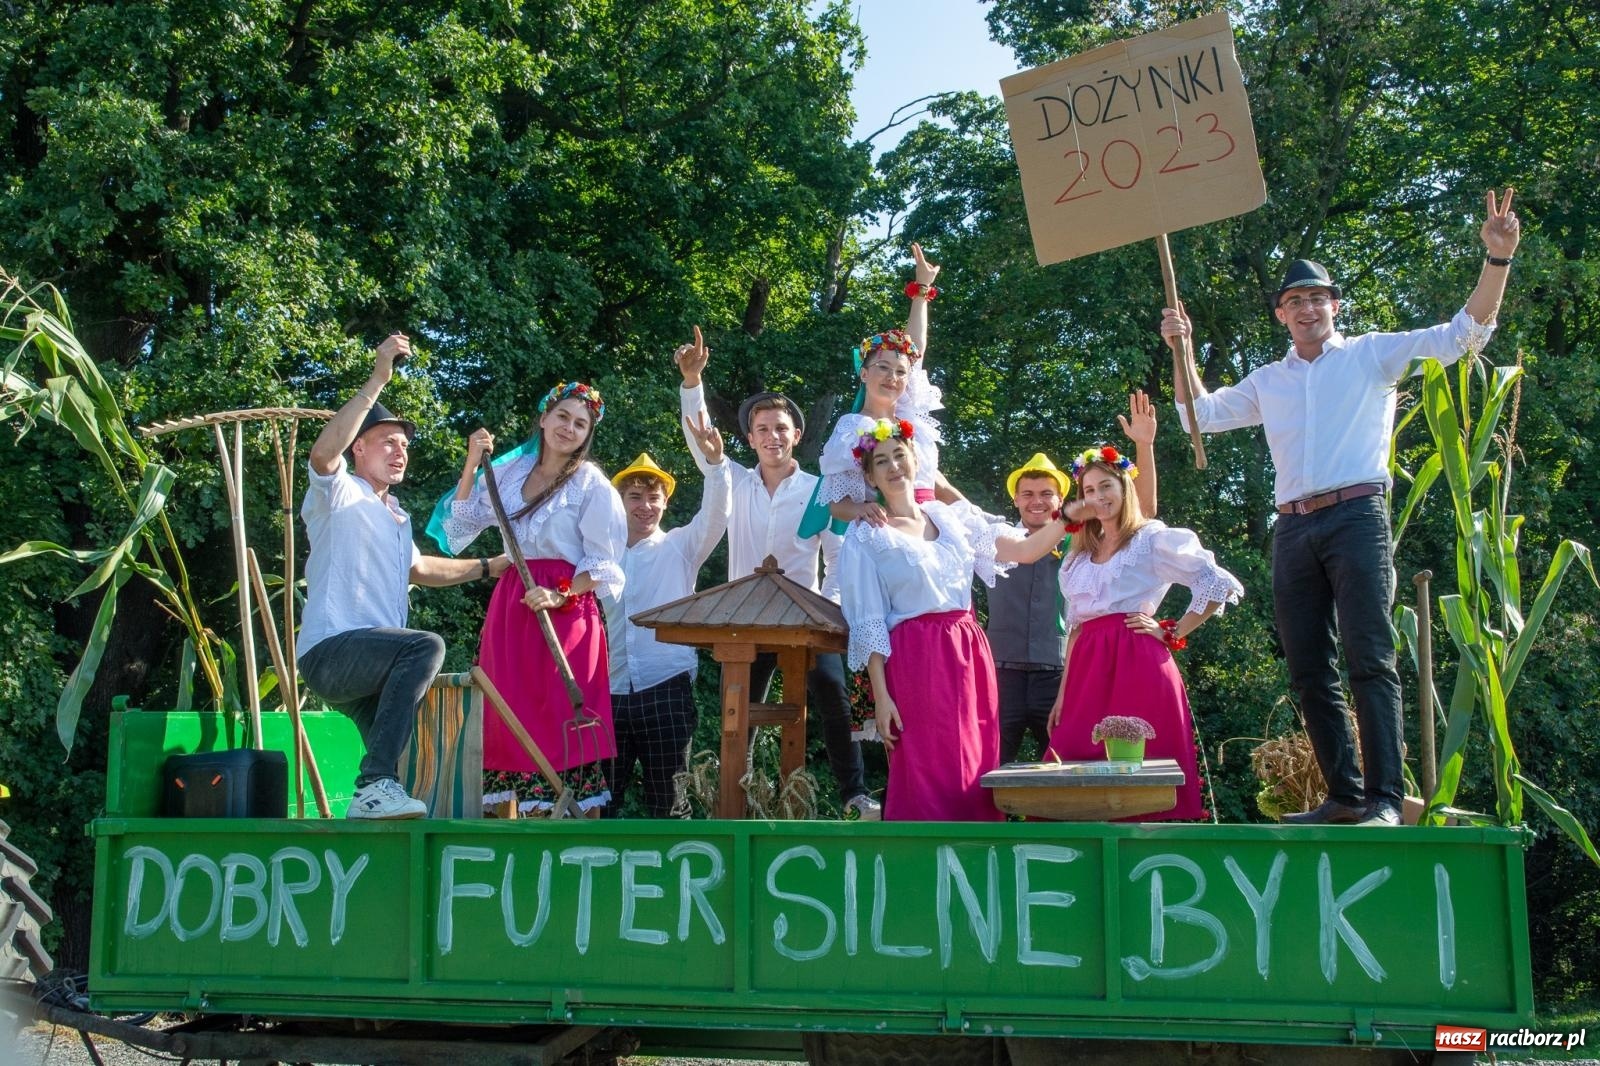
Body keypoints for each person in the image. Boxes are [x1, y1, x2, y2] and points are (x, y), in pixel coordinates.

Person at [1163, 187, 1520, 827]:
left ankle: (1384, 799)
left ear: (1334, 306)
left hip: (1356, 518)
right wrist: (1181, 350)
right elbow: (1199, 415)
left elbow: (1463, 337)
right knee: (1307, 667)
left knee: (1370, 657)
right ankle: (1345, 796)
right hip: (1293, 528)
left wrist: (1497, 260)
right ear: (1281, 314)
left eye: (1317, 298)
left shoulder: (1369, 355)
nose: (1307, 308)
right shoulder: (1269, 380)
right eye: (1295, 301)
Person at [298, 333, 508, 820]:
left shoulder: (395, 514)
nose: (400, 452)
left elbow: (420, 568)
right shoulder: (339, 492)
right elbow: (322, 456)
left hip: (370, 665)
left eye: (405, 445)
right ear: (358, 448)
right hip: (332, 650)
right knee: (424, 647)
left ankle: (374, 806)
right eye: (387, 442)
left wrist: (486, 567)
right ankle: (374, 785)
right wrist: (379, 377)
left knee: (398, 768)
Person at [675, 329, 881, 820]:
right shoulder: (733, 482)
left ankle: (854, 794)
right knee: (737, 708)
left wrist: (827, 610)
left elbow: (837, 558)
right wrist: (692, 382)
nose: (773, 436)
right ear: (750, 438)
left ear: (796, 436)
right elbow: (704, 445)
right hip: (744, 620)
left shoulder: (819, 491)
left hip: (805, 622)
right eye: (763, 429)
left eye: (781, 428)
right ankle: (735, 799)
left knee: (833, 696)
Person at [839, 419, 1084, 821]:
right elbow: (869, 622)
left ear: (915, 459)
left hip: (969, 652)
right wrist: (881, 698)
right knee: (926, 763)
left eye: (899, 455)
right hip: (916, 656)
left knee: (975, 759)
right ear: (869, 476)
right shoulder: (867, 535)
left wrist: (1068, 517)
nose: (894, 466)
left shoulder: (950, 518)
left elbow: (1024, 551)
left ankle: (979, 847)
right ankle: (923, 852)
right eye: (881, 461)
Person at [429, 381, 627, 815]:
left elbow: (604, 563)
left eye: (580, 424)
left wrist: (559, 595)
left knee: (561, 711)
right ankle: (508, 822)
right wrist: (471, 464)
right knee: (507, 710)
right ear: (543, 418)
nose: (569, 428)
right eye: (562, 416)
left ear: (587, 433)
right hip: (513, 606)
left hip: (567, 610)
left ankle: (574, 819)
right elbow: (459, 530)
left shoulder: (590, 484)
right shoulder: (509, 474)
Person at [1045, 448, 1243, 821]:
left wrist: (1172, 632)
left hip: (1137, 661)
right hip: (1087, 667)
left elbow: (1216, 582)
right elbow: (1075, 629)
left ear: (1124, 487)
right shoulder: (1079, 555)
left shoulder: (1149, 538)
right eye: (1089, 490)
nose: (1099, 496)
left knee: (1142, 766)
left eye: (1106, 486)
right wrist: (1062, 693)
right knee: (1070, 753)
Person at [987, 394, 1161, 765]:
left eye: (1046, 494)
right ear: (1015, 500)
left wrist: (1144, 447)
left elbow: (1140, 514)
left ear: (1062, 501)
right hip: (1001, 674)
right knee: (989, 766)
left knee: (1069, 764)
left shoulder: (1082, 541)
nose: (1036, 501)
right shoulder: (995, 539)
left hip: (1060, 674)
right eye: (1027, 494)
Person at [600, 403, 731, 817]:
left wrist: (716, 465)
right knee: (599, 803)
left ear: (665, 503)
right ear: (619, 502)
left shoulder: (680, 546)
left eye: (653, 498)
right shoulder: (599, 556)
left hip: (667, 686)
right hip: (608, 689)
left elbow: (716, 516)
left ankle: (677, 863)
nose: (645, 506)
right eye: (635, 497)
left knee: (670, 805)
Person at [816, 244, 968, 525]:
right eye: (883, 368)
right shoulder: (854, 429)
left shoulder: (912, 420)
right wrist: (863, 510)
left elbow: (916, 349)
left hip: (931, 524)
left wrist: (922, 289)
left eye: (900, 372)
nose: (892, 378)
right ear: (864, 374)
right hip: (889, 527)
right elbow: (838, 506)